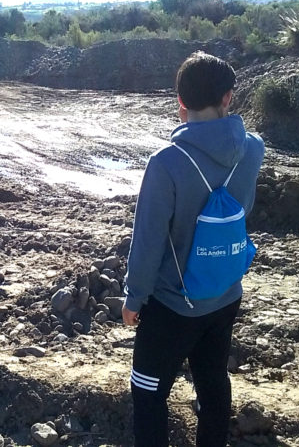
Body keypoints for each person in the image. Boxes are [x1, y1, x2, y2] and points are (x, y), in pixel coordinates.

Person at [121, 51, 265, 446]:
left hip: (173, 306)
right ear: (228, 98)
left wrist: (134, 298)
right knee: (213, 381)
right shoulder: (252, 150)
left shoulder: (166, 162)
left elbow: (148, 239)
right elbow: (243, 209)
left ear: (180, 103)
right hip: (226, 294)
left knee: (148, 393)